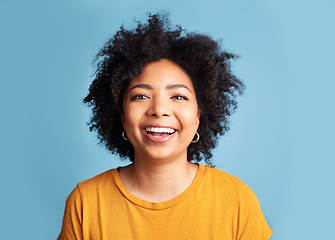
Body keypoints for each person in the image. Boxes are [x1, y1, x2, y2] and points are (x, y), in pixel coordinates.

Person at [58, 13, 272, 240]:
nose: (159, 110)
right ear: (121, 116)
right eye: (141, 96)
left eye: (178, 96)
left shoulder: (236, 199)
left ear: (198, 116)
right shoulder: (86, 202)